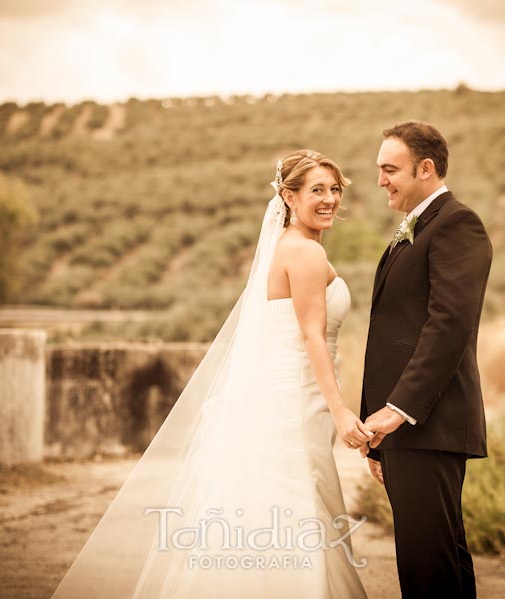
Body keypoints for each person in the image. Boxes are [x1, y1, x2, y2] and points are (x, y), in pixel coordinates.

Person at [51, 150, 370, 598]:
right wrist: (341, 410)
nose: (330, 199)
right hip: (298, 400)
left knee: (283, 506)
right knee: (297, 505)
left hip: (287, 397)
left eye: (335, 189)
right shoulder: (304, 254)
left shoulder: (288, 248)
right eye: (317, 189)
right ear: (288, 196)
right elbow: (313, 338)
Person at [360, 121, 493, 599]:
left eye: (390, 169)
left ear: (426, 168)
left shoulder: (457, 223)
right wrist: (377, 435)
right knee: (439, 562)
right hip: (406, 431)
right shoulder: (416, 228)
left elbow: (449, 325)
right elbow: (391, 336)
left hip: (427, 424)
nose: (381, 181)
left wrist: (397, 411)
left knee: (427, 570)